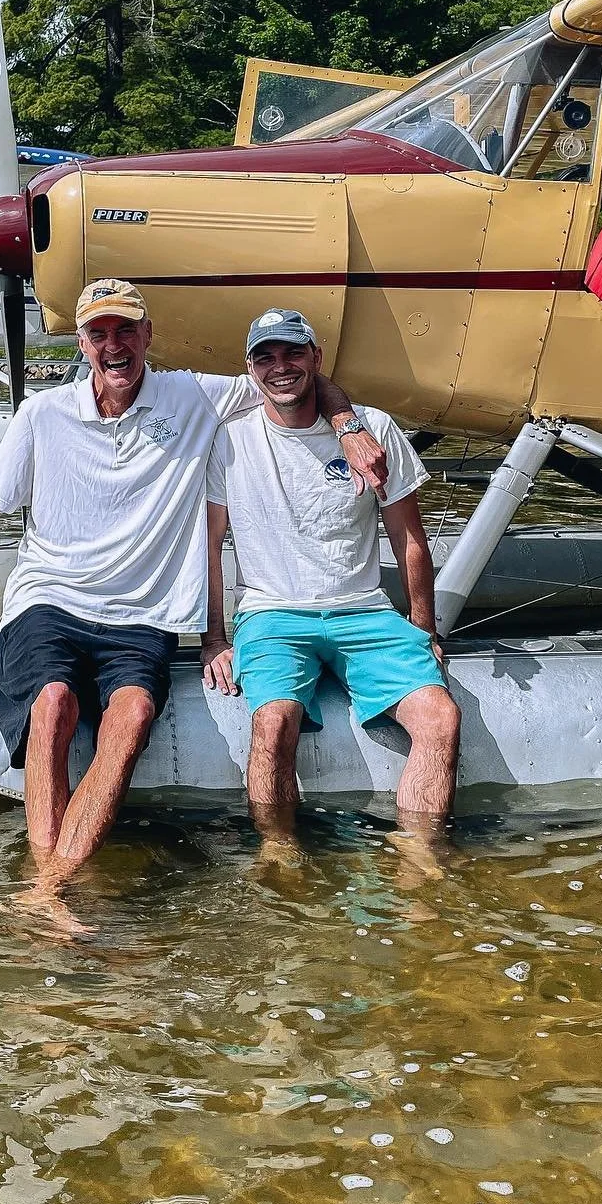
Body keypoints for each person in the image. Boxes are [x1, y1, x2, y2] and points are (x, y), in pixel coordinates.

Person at [0, 279, 388, 909]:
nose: (114, 345)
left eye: (127, 330)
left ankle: (46, 891)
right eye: (99, 333)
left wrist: (348, 428)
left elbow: (293, 379)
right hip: (49, 600)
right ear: (81, 342)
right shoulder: (41, 415)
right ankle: (51, 885)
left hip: (142, 615)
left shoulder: (192, 396)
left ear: (148, 336)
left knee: (130, 718)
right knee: (53, 705)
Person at [200, 307, 461, 847]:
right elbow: (209, 546)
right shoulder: (228, 440)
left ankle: (420, 859)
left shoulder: (375, 429)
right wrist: (214, 639)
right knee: (272, 723)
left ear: (317, 359)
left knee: (441, 719)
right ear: (250, 369)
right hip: (271, 613)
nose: (281, 366)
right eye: (265, 356)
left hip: (364, 610)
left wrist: (424, 628)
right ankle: (277, 852)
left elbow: (410, 538)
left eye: (294, 352)